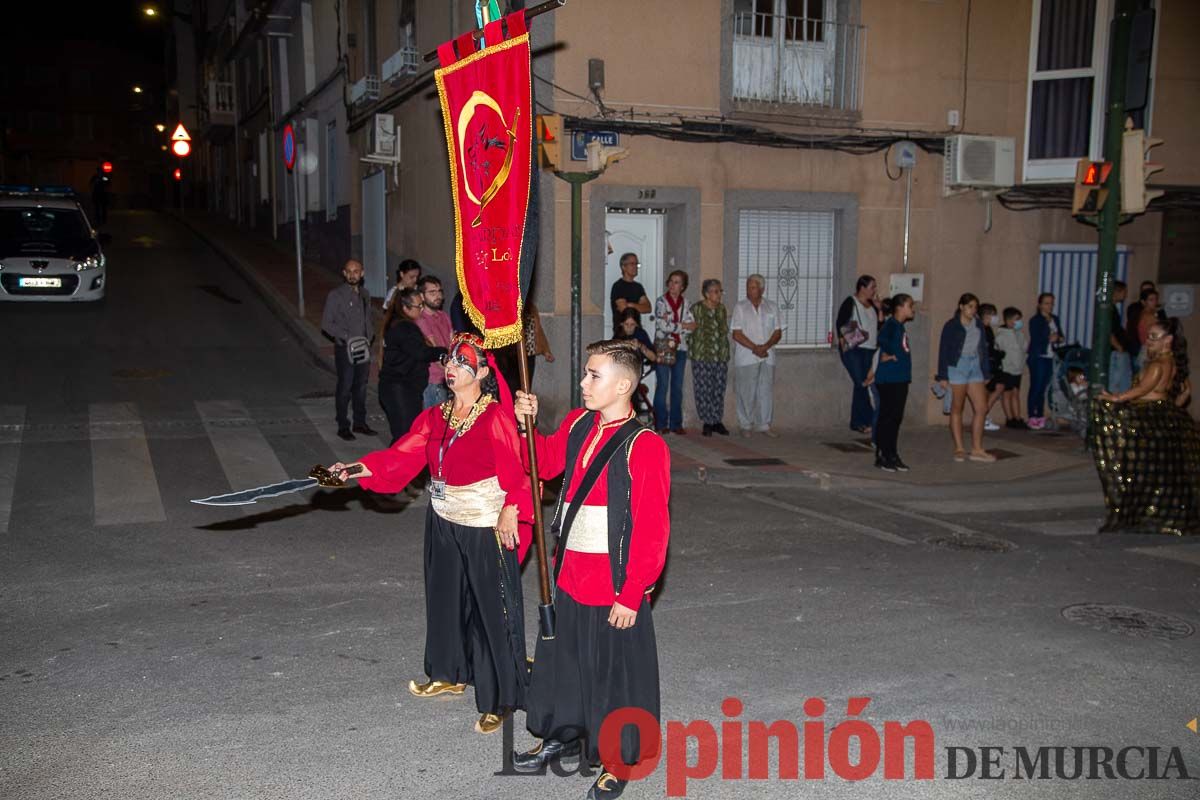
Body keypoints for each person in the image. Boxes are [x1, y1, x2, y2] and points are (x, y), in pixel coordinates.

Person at [329, 333, 534, 733]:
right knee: (443, 600)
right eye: (449, 360)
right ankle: (448, 672)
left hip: (481, 523)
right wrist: (350, 470)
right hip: (441, 519)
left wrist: (513, 508)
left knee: (490, 611)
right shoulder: (436, 417)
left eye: (461, 361)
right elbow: (398, 458)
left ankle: (500, 697)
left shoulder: (495, 418)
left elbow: (518, 471)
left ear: (481, 372)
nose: (451, 367)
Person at [510, 339, 670, 800]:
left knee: (611, 673)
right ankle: (563, 734)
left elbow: (652, 528)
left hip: (613, 581)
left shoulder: (645, 446)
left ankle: (618, 760)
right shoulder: (580, 423)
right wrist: (527, 425)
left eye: (593, 376)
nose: (583, 383)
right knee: (565, 662)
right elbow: (540, 461)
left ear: (623, 385)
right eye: (584, 373)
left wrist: (633, 590)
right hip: (569, 572)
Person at [1093, 318, 1199, 535]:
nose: (1148, 341)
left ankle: (1141, 512)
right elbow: (1186, 391)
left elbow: (1142, 389)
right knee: (1160, 472)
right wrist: (1173, 410)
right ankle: (1157, 511)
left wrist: (1116, 398)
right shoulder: (1173, 363)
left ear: (1167, 340)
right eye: (1148, 336)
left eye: (1153, 337)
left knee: (1139, 466)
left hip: (1150, 417)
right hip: (1164, 416)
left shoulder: (1159, 364)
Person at [378, 288, 446, 445]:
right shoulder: (404, 328)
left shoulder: (400, 324)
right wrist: (443, 352)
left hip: (402, 388)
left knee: (407, 434)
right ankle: (391, 467)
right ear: (405, 308)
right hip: (400, 389)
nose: (422, 309)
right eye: (418, 306)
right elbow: (421, 353)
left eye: (422, 305)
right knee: (404, 437)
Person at [320, 259, 377, 441]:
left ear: (362, 273)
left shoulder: (365, 294)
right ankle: (343, 425)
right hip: (345, 348)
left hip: (363, 349)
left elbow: (368, 318)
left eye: (356, 271)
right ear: (344, 273)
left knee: (360, 386)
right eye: (349, 271)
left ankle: (359, 422)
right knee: (345, 386)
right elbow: (327, 324)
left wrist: (369, 337)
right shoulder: (335, 295)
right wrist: (347, 336)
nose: (353, 275)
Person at [936, 293, 996, 463]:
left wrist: (985, 372)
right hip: (958, 366)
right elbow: (944, 350)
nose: (973, 310)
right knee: (957, 408)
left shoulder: (978, 324)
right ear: (961, 306)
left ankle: (977, 449)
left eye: (975, 307)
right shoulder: (951, 326)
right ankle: (960, 448)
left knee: (982, 407)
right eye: (970, 306)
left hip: (974, 365)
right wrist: (943, 375)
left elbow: (983, 349)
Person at [731, 274, 785, 438]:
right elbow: (736, 333)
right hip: (747, 356)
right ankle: (745, 424)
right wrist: (755, 348)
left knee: (765, 390)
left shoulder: (772, 306)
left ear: (762, 289)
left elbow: (778, 331)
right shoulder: (740, 307)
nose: (749, 290)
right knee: (746, 391)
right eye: (748, 287)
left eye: (753, 287)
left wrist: (766, 347)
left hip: (767, 355)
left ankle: (764, 424)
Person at [866, 294, 914, 472]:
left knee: (896, 418)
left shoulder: (899, 327)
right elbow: (882, 341)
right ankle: (882, 455)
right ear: (900, 307)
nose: (912, 309)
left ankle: (892, 454)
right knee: (887, 418)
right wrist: (890, 354)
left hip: (900, 378)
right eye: (910, 306)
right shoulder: (891, 325)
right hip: (889, 380)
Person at [652, 270, 697, 434]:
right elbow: (663, 326)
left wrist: (676, 326)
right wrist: (682, 326)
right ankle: (660, 423)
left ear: (683, 286)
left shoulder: (687, 303)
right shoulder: (661, 302)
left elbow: (692, 326)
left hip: (681, 348)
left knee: (677, 387)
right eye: (671, 281)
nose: (672, 285)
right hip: (663, 347)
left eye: (677, 282)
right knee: (662, 385)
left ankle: (676, 423)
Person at [836, 276, 882, 435]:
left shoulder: (873, 306)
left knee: (863, 384)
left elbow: (879, 325)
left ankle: (859, 421)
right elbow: (841, 324)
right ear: (862, 288)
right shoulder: (851, 302)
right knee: (861, 382)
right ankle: (866, 420)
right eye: (872, 287)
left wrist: (879, 309)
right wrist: (847, 342)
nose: (874, 290)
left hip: (870, 349)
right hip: (854, 349)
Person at [689, 279, 731, 436]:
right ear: (707, 294)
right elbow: (689, 330)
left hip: (720, 355)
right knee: (703, 389)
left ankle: (717, 420)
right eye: (716, 291)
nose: (719, 294)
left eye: (720, 291)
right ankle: (707, 421)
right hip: (702, 355)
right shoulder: (696, 309)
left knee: (718, 388)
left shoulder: (721, 309)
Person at [493, 300, 555, 393]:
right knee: (510, 386)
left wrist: (545, 350)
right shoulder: (508, 308)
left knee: (526, 385)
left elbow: (538, 331)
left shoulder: (531, 309)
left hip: (529, 355)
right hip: (512, 355)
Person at [415, 276, 454, 408]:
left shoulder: (443, 316)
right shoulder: (421, 320)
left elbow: (452, 343)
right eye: (432, 292)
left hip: (446, 377)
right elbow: (434, 351)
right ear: (421, 295)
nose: (437, 296)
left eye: (439, 291)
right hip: (433, 380)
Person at [1025, 292, 1063, 430]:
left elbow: (1061, 336)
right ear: (1040, 305)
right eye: (1047, 303)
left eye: (1052, 303)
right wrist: (1049, 337)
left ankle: (1040, 414)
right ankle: (1031, 415)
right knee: (1036, 385)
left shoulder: (1055, 319)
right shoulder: (1035, 320)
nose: (1050, 306)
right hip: (1038, 356)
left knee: (1043, 388)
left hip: (1050, 356)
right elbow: (1036, 338)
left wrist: (1058, 338)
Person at [378, 259, 423, 360]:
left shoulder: (417, 291)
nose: (415, 280)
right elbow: (388, 316)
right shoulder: (394, 293)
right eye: (411, 277)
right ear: (402, 274)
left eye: (417, 277)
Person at [992, 307, 1028, 429]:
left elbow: (1024, 349)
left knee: (1016, 393)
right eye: (1016, 319)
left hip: (1018, 369)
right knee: (1007, 393)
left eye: (1019, 320)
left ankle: (1017, 418)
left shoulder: (1020, 334)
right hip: (1007, 368)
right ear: (1008, 320)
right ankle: (1010, 418)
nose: (1019, 322)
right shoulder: (1001, 335)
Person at [609, 252, 651, 333]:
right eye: (632, 264)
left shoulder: (638, 287)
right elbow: (624, 309)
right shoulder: (618, 286)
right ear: (623, 267)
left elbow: (648, 308)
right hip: (622, 332)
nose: (635, 267)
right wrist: (637, 306)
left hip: (637, 331)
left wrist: (631, 305)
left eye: (636, 264)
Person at [978, 304, 1003, 432]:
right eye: (993, 314)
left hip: (991, 364)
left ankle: (983, 416)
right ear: (986, 315)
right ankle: (982, 417)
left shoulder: (988, 329)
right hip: (985, 366)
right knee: (987, 391)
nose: (995, 318)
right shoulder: (981, 329)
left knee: (998, 388)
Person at [1108, 281, 1133, 394]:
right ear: (1117, 292)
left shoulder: (1113, 308)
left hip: (1118, 349)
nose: (1125, 295)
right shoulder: (1110, 310)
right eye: (1124, 292)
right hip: (1116, 351)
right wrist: (1119, 347)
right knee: (1117, 383)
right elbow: (1109, 332)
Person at [1131, 287, 1163, 372]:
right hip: (1148, 350)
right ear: (1143, 302)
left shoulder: (1144, 314)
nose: (1154, 302)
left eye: (1156, 299)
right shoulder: (1149, 316)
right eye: (1151, 300)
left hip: (1145, 349)